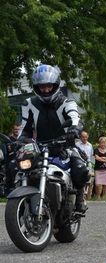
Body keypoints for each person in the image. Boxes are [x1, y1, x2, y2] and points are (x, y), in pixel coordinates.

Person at [19, 64, 89, 214]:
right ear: (36, 87)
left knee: (80, 167)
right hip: (39, 148)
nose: (45, 90)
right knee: (18, 166)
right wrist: (21, 140)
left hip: (64, 146)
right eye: (42, 86)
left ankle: (80, 199)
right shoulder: (29, 104)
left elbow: (75, 119)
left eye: (48, 86)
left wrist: (74, 130)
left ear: (55, 85)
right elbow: (24, 128)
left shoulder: (67, 102)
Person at [76, 130, 95, 201]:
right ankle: (81, 193)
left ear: (88, 137)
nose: (84, 138)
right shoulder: (77, 145)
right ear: (80, 137)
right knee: (81, 179)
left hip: (88, 163)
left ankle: (87, 194)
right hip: (80, 163)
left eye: (86, 137)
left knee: (88, 178)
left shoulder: (90, 145)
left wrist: (90, 163)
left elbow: (90, 155)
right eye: (83, 137)